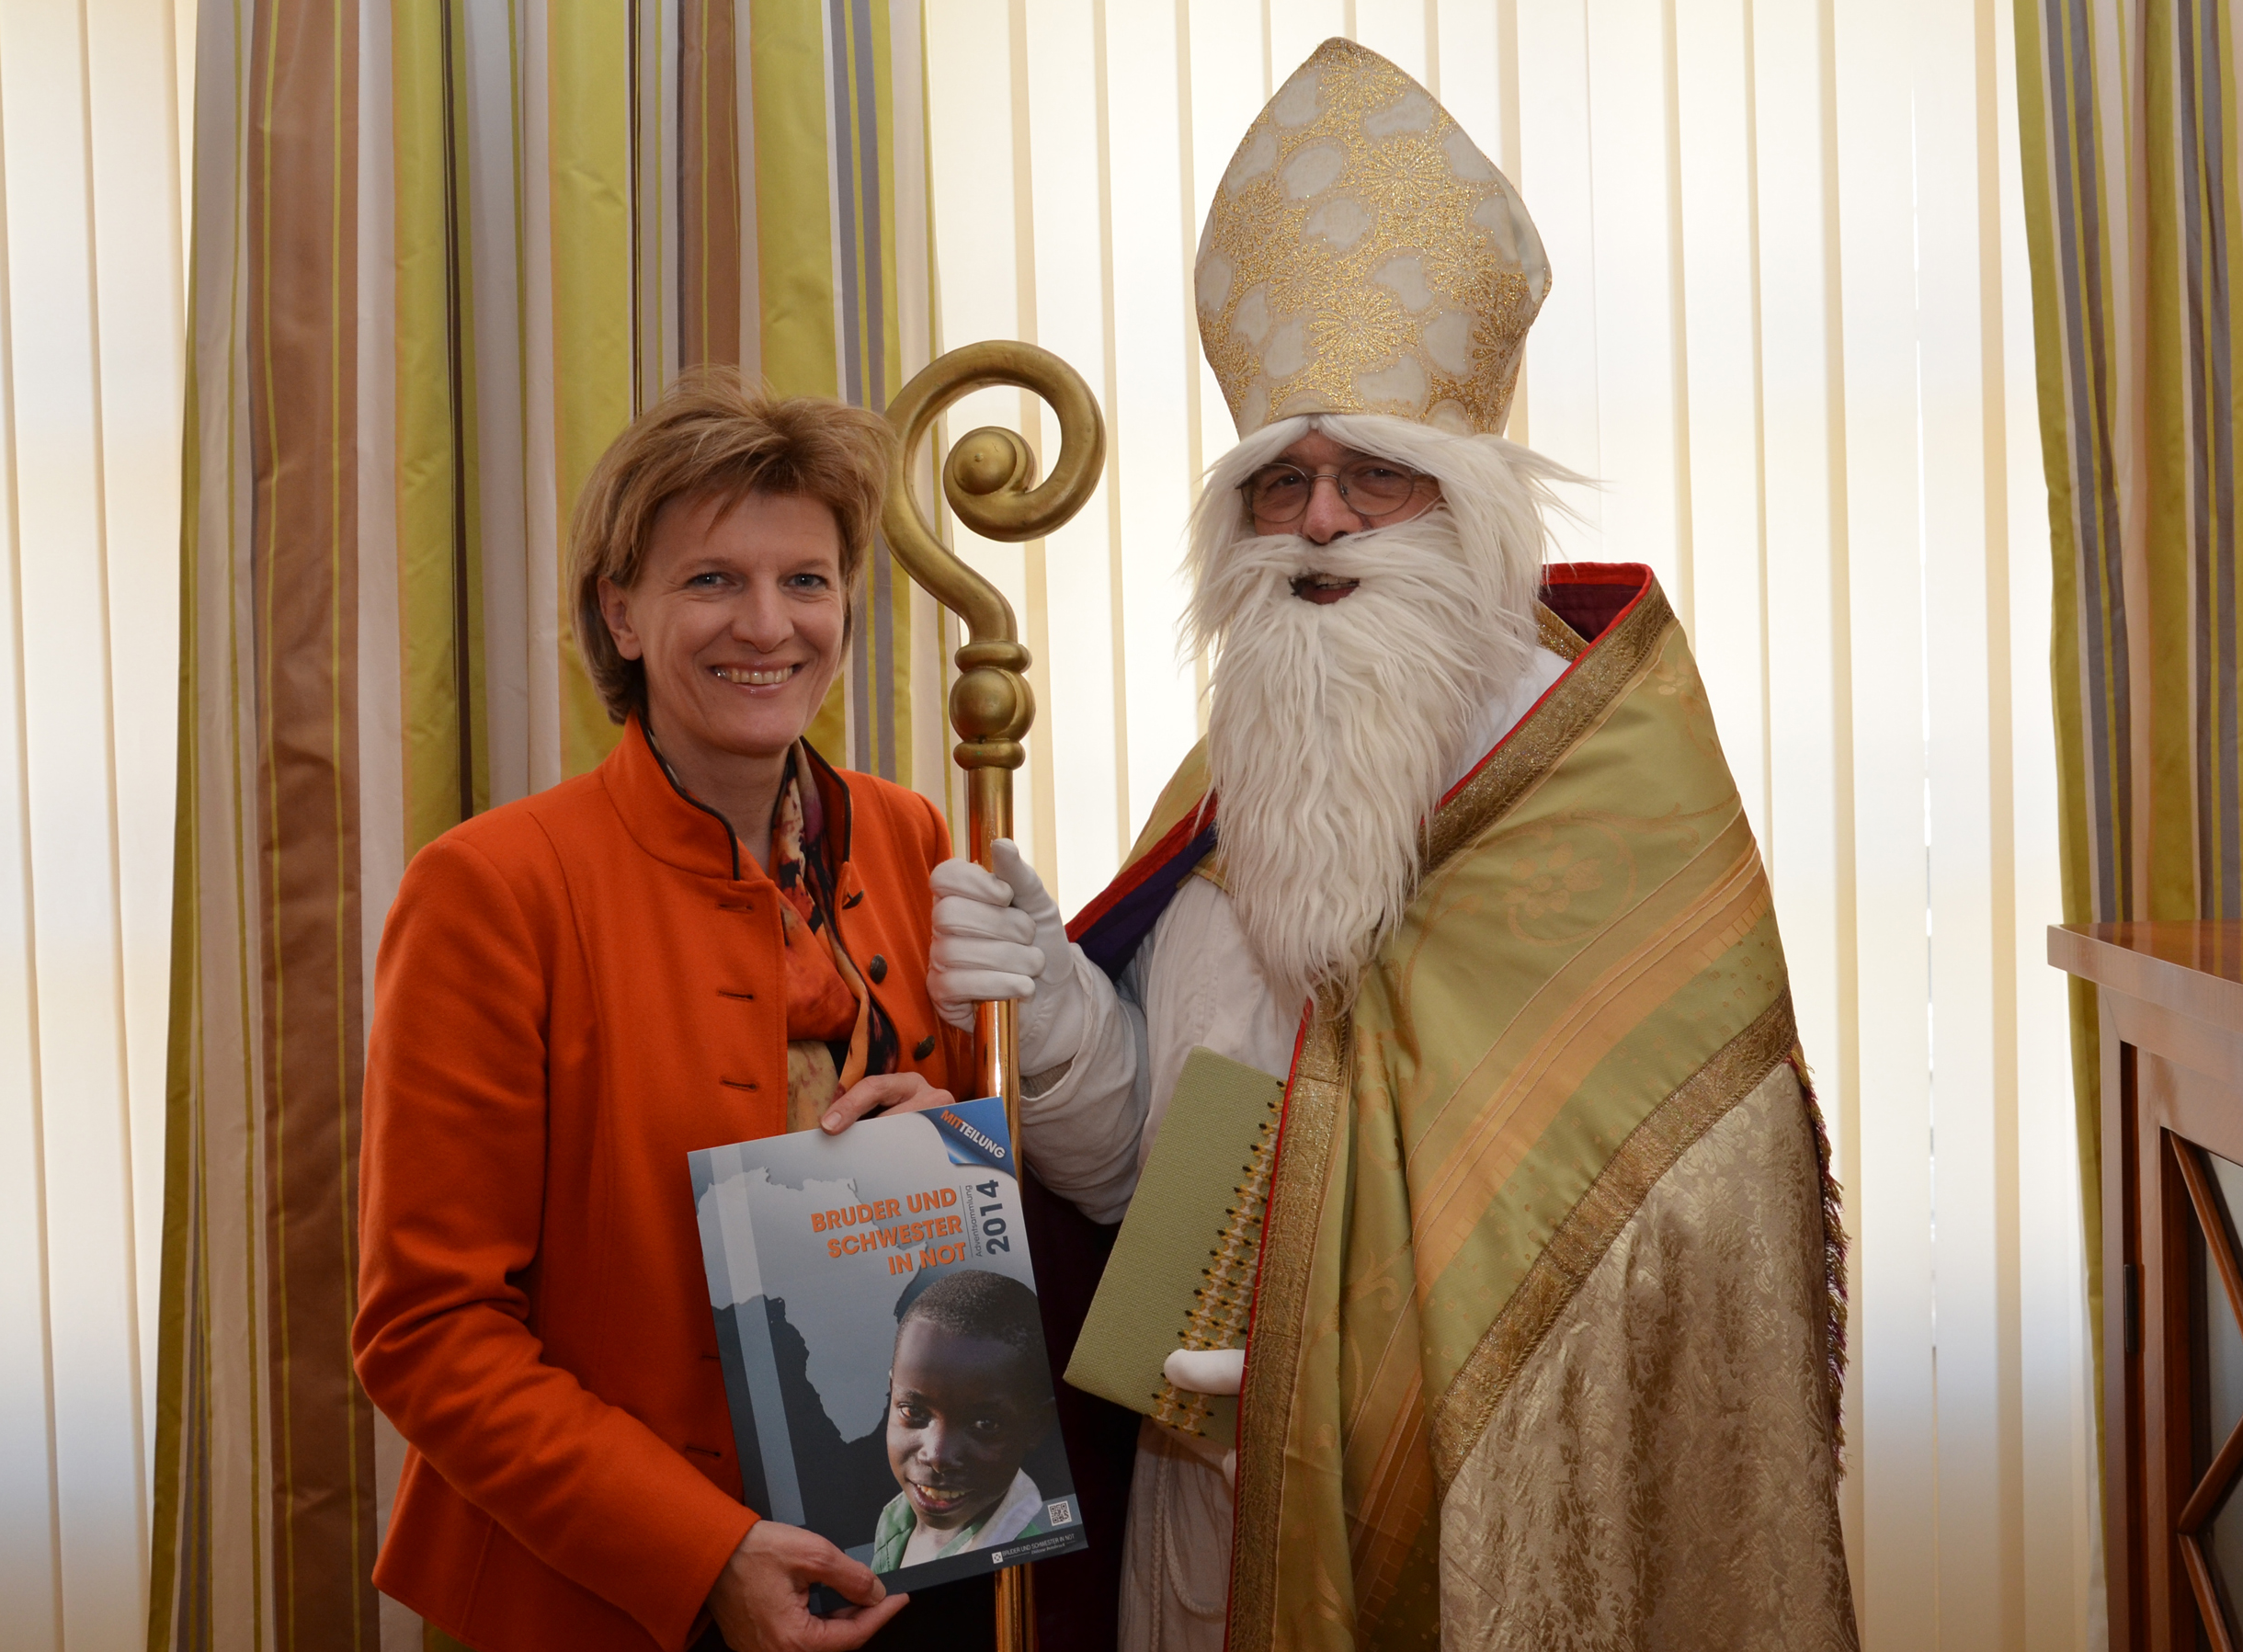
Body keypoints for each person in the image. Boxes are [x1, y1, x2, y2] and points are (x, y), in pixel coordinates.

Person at [926, 37, 1858, 1652]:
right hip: (1209, 1529)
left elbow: (1692, 1237)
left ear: (1475, 506)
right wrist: (1059, 1015)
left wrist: (1340, 1342)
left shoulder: (1609, 805)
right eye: (1280, 483)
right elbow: (1159, 1168)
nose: (1327, 520)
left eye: (1379, 476)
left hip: (1490, 1539)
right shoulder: (1244, 788)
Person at [354, 368, 974, 1652]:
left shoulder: (914, 837)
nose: (768, 622)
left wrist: (953, 1129)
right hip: (606, 1595)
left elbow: (989, 1228)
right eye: (712, 581)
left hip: (902, 1566)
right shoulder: (490, 888)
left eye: (805, 579)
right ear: (621, 614)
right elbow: (427, 1332)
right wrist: (702, 1552)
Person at [870, 1270, 1056, 1572]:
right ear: (892, 1393)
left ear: (1036, 1426)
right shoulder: (895, 1521)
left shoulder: (1033, 1556)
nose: (938, 1456)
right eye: (913, 1412)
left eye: (984, 1424)